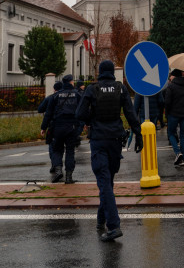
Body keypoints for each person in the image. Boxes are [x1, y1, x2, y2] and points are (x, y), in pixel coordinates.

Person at [76, 60, 143, 241]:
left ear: (100, 72)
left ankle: (113, 226)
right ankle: (101, 218)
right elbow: (130, 113)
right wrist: (139, 135)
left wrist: (92, 118)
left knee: (104, 182)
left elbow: (79, 114)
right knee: (108, 181)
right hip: (115, 140)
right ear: (113, 72)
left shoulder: (92, 89)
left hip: (99, 140)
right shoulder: (120, 88)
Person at [41, 74, 81, 183]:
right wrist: (85, 124)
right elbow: (82, 110)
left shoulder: (55, 96)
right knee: (70, 151)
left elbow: (48, 113)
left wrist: (43, 127)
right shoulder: (77, 94)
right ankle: (69, 177)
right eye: (73, 81)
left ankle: (58, 171)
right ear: (70, 82)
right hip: (71, 127)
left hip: (58, 127)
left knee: (57, 150)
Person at [164, 68, 184, 166]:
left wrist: (166, 113)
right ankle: (182, 158)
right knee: (183, 136)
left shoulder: (171, 87)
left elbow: (167, 102)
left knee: (171, 133)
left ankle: (177, 152)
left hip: (173, 114)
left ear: (174, 76)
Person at [38, 81, 62, 174]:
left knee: (52, 146)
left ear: (54, 89)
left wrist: (43, 127)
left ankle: (54, 164)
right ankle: (64, 169)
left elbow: (41, 109)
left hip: (53, 126)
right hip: (66, 126)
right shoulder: (66, 96)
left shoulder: (50, 98)